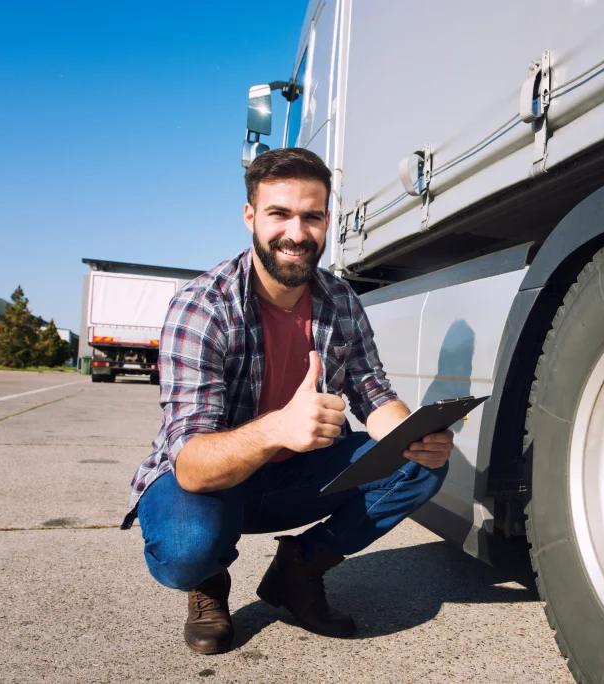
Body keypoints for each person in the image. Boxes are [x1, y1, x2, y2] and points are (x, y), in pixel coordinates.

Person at [120, 147, 454, 655]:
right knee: (186, 548)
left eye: (312, 216)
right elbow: (190, 465)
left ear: (326, 220)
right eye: (279, 214)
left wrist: (414, 437)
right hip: (213, 484)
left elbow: (374, 393)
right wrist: (278, 427)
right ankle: (208, 581)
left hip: (295, 476)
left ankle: (299, 567)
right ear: (251, 215)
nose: (297, 234)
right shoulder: (203, 306)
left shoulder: (341, 301)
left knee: (422, 465)